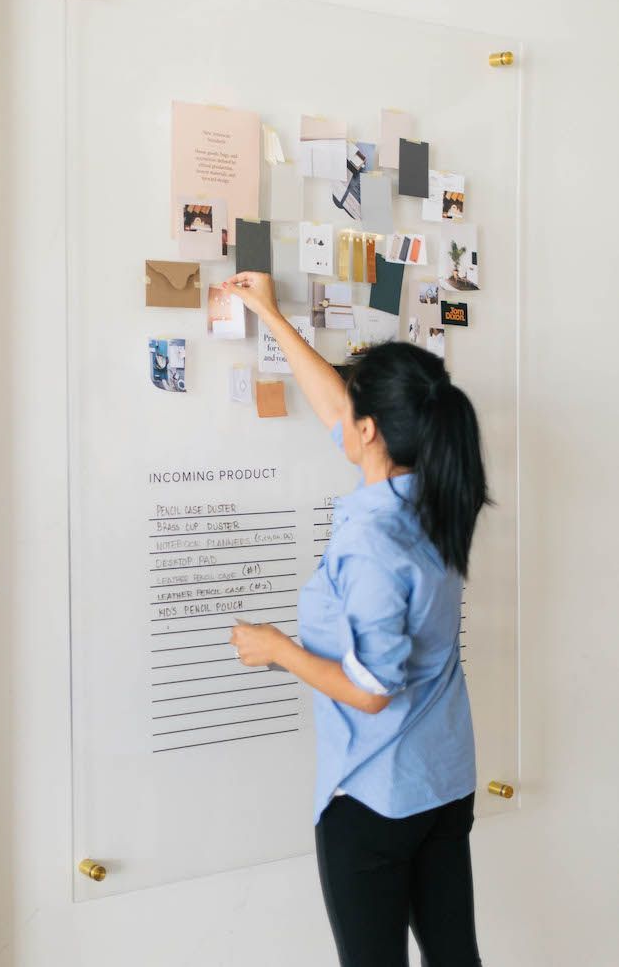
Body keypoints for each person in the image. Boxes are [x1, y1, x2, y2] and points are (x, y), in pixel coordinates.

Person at [226, 271, 489, 967]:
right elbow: (338, 405)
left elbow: (373, 689)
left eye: (354, 416)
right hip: (441, 781)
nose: (341, 418)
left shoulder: (373, 542)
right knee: (456, 957)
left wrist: (276, 648)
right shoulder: (434, 491)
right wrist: (270, 315)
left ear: (370, 431)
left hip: (375, 798)